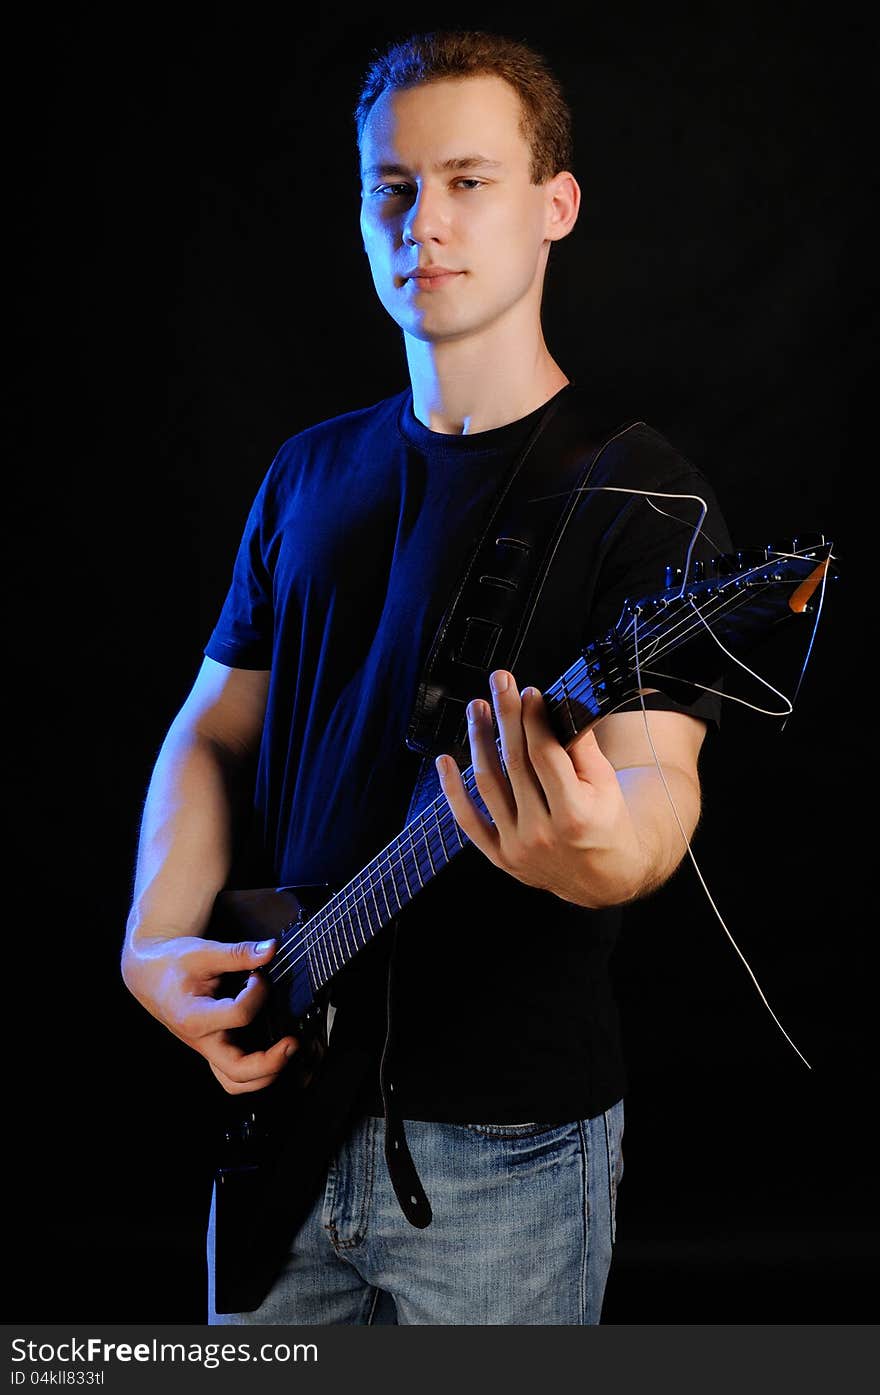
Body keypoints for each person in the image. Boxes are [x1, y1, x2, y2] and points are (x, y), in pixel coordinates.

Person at [121, 28, 732, 1325]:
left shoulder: (647, 501)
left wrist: (597, 849)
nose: (424, 221)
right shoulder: (308, 473)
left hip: (506, 1157)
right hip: (285, 1102)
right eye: (390, 186)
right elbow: (214, 730)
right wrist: (153, 939)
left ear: (554, 204)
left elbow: (656, 784)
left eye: (469, 180)